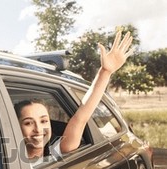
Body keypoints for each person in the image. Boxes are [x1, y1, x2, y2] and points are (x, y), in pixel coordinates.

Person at [14, 31, 133, 162]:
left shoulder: (56, 152)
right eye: (28, 123)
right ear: (16, 126)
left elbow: (81, 117)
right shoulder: (5, 159)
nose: (38, 129)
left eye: (44, 121)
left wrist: (105, 72)